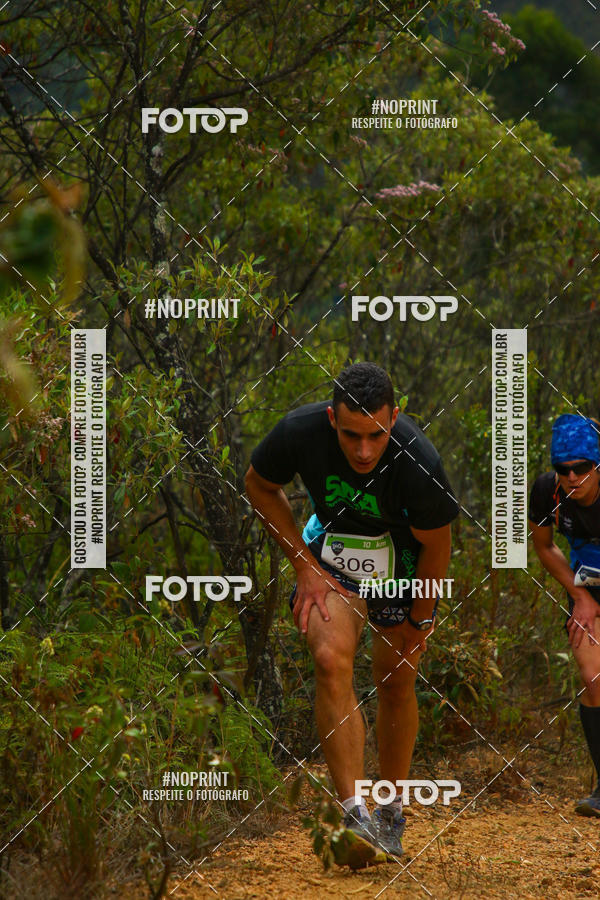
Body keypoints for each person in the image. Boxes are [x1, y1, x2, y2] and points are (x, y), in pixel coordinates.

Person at [245, 362, 459, 857]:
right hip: (331, 557)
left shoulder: (417, 460)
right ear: (330, 418)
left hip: (403, 561)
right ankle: (355, 817)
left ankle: (390, 811)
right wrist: (303, 566)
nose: (364, 450)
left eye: (377, 436)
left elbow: (437, 546)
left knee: (394, 677)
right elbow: (259, 483)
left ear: (394, 419)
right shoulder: (298, 431)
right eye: (351, 435)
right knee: (329, 659)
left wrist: (421, 619)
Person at [529, 413, 600, 817]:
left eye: (582, 468)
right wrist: (581, 597)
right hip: (587, 586)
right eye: (563, 469)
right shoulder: (546, 492)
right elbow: (544, 546)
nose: (572, 477)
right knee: (592, 676)